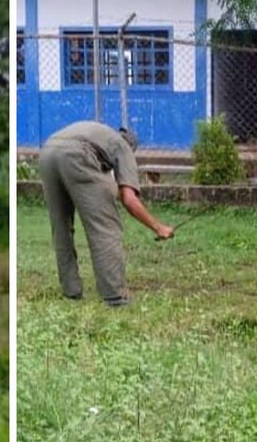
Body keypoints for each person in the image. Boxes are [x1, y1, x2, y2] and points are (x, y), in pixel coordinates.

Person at [38, 121, 174, 306]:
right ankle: (115, 296)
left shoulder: (101, 135)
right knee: (104, 226)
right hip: (77, 155)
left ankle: (71, 290)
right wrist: (159, 227)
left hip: (47, 152)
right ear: (131, 146)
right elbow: (129, 199)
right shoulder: (123, 148)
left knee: (60, 226)